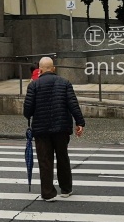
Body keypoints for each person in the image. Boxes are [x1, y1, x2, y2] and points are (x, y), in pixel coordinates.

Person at [22, 56, 85, 201]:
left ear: (40, 70)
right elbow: (73, 104)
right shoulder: (64, 83)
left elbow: (27, 112)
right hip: (61, 128)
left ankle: (48, 193)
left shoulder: (34, 86)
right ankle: (66, 189)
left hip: (41, 129)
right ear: (54, 69)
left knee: (45, 160)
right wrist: (80, 122)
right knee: (62, 157)